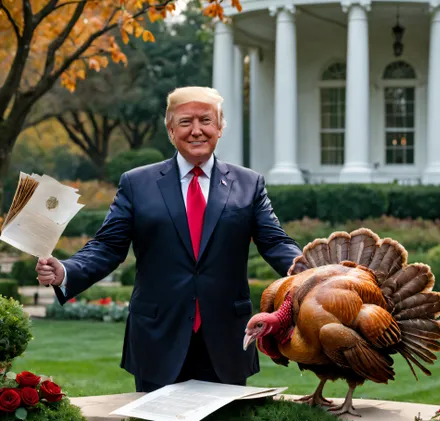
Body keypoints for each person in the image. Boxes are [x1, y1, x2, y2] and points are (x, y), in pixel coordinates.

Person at [35, 86, 302, 392]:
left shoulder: (248, 184)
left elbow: (274, 242)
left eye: (206, 120)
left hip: (226, 339)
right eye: (186, 122)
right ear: (171, 130)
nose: (197, 130)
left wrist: (313, 275)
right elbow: (108, 246)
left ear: (220, 127)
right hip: (157, 337)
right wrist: (66, 271)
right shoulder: (137, 184)